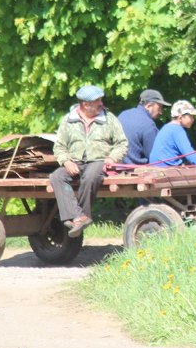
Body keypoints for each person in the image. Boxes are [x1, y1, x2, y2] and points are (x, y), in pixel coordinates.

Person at [50, 84, 128, 237]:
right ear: (85, 104)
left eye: (100, 99)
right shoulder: (68, 120)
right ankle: (78, 216)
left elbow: (122, 143)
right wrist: (66, 161)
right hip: (75, 162)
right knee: (57, 176)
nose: (101, 103)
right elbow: (59, 146)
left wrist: (112, 158)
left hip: (99, 161)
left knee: (91, 176)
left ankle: (81, 216)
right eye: (97, 101)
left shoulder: (109, 119)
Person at [118, 89, 171, 165]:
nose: (161, 112)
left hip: (116, 166)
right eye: (159, 108)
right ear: (149, 106)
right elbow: (154, 156)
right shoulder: (149, 125)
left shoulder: (123, 114)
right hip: (136, 170)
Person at [149, 100, 196, 167]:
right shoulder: (177, 130)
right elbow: (189, 152)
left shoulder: (167, 127)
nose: (193, 119)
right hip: (165, 167)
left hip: (156, 165)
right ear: (180, 118)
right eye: (191, 116)